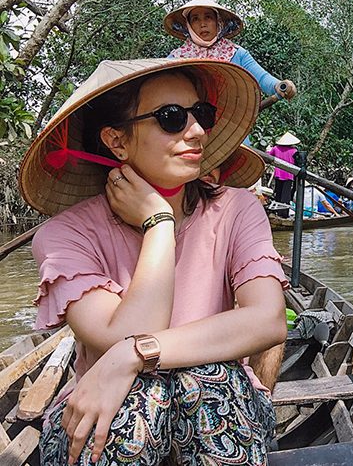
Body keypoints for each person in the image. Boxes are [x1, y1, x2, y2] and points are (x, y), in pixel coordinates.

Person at [19, 58, 287, 465]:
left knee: (207, 380)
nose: (196, 131)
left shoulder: (237, 209)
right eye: (171, 118)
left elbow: (267, 320)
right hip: (108, 408)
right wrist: (159, 223)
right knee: (140, 399)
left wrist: (135, 353)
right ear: (117, 141)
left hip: (219, 402)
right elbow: (123, 333)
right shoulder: (64, 237)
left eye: (201, 114)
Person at [164, 0, 296, 99]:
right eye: (195, 19)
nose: (202, 24)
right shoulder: (176, 58)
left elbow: (261, 78)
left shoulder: (236, 53)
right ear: (188, 25)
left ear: (218, 22)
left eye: (208, 17)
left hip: (234, 124)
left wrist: (279, 85)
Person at [267, 131, 299, 204]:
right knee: (286, 195)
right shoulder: (294, 151)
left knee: (278, 193)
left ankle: (277, 207)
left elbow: (269, 155)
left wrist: (268, 150)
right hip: (289, 174)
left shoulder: (276, 148)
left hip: (278, 173)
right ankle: (284, 209)